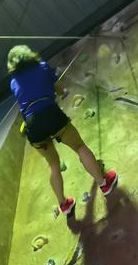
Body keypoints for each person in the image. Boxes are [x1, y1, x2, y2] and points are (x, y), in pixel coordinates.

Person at [7, 44, 117, 215]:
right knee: (79, 147)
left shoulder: (13, 82)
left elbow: (25, 99)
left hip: (32, 125)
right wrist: (62, 91)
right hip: (51, 116)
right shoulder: (41, 67)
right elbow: (57, 88)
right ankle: (104, 184)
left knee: (53, 165)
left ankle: (64, 205)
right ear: (29, 55)